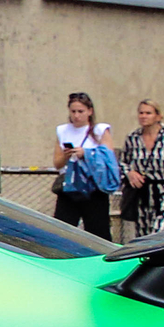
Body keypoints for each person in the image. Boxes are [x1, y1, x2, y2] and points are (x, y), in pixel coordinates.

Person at [51, 92, 118, 239]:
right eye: (73, 111)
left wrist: (86, 153)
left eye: (80, 111)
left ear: (89, 111)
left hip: (93, 187)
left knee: (98, 231)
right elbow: (57, 163)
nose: (76, 116)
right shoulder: (63, 130)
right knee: (62, 229)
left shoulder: (99, 130)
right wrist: (66, 155)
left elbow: (108, 157)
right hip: (70, 185)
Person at [120, 98, 164, 238]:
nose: (144, 116)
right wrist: (130, 173)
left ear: (158, 116)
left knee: (159, 233)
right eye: (141, 113)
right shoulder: (133, 138)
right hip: (142, 195)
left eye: (148, 113)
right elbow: (123, 163)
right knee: (144, 236)